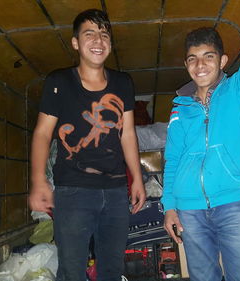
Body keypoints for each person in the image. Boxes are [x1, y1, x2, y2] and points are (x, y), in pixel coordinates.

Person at [161, 0, 240, 280]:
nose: (200, 65)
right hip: (189, 210)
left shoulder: (237, 90)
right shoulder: (179, 107)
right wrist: (169, 206)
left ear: (222, 61)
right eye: (193, 58)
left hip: (233, 207)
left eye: (208, 56)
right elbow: (173, 159)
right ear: (186, 64)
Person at [28, 9, 146, 281]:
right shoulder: (58, 82)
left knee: (111, 270)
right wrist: (38, 181)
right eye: (89, 34)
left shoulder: (122, 82)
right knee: (71, 271)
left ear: (110, 44)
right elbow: (43, 134)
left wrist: (136, 179)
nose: (98, 40)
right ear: (75, 43)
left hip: (116, 191)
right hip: (73, 191)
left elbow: (127, 133)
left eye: (104, 35)